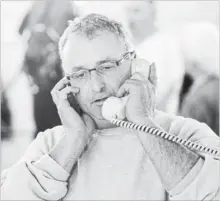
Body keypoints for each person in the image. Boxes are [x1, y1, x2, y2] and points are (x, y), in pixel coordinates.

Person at [1, 14, 220, 200]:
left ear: (136, 65)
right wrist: (73, 139)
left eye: (106, 66)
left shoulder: (186, 133)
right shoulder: (50, 144)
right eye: (79, 74)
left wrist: (143, 122)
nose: (96, 86)